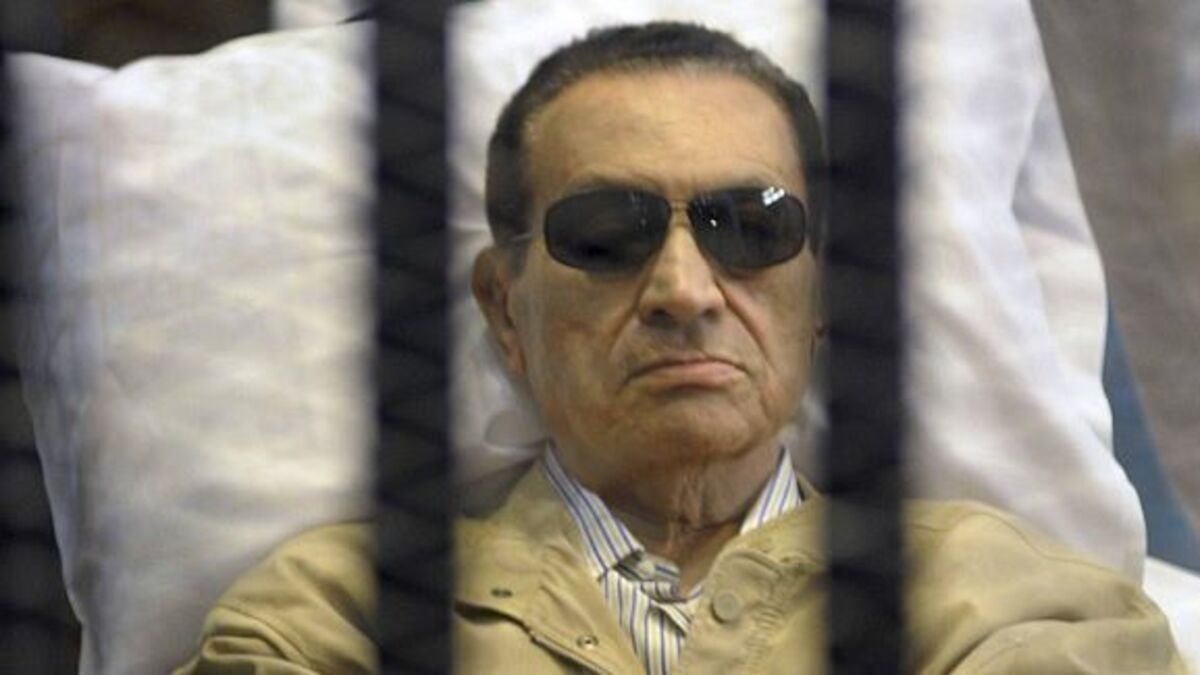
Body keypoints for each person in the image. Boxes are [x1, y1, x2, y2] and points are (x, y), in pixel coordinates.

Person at [175, 22, 1184, 674]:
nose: (684, 292)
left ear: (822, 295)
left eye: (749, 226)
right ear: (503, 309)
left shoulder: (1006, 601)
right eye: (605, 235)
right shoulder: (335, 613)